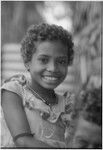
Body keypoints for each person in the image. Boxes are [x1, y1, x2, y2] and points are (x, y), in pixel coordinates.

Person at [1, 23, 74, 148]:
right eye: (44, 60)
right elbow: (23, 141)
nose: (53, 68)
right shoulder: (14, 92)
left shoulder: (67, 105)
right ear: (27, 62)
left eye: (61, 61)